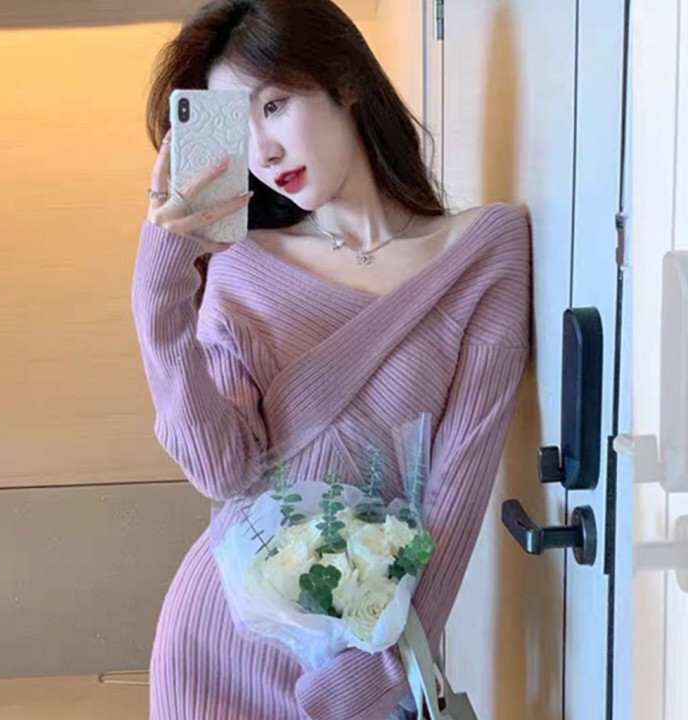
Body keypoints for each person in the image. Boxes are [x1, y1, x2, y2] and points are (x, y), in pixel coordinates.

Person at [131, 1, 531, 718]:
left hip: (359, 661)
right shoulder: (242, 268)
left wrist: (370, 680)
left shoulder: (482, 255)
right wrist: (158, 290)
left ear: (344, 80)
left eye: (274, 106)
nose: (263, 152)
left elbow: (453, 503)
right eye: (239, 126)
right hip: (217, 648)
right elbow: (222, 472)